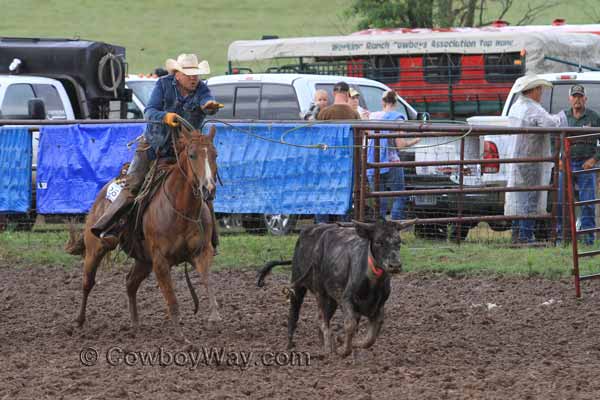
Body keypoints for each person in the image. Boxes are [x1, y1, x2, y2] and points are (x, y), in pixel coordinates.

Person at [91, 53, 222, 250]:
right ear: (177, 74)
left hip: (184, 153)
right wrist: (165, 116)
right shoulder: (163, 85)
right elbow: (150, 111)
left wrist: (209, 107)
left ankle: (211, 239)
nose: (194, 77)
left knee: (204, 186)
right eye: (189, 73)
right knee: (133, 185)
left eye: (196, 74)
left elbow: (207, 101)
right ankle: (108, 227)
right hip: (154, 148)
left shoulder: (202, 89)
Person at [504, 74, 567, 243]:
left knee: (519, 197)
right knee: (530, 198)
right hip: (531, 158)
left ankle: (517, 234)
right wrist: (562, 117)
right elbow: (549, 124)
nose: (541, 93)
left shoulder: (517, 106)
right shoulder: (532, 108)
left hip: (518, 158)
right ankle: (525, 236)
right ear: (532, 90)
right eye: (539, 89)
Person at [557, 84, 600, 245]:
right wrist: (559, 159)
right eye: (574, 96)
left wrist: (594, 159)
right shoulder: (562, 117)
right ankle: (562, 238)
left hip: (585, 165)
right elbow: (554, 139)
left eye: (580, 96)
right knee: (561, 202)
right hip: (566, 163)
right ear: (569, 99)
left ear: (585, 99)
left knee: (587, 202)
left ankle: (588, 239)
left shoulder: (594, 117)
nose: (577, 99)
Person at [368, 90, 420, 221]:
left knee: (379, 198)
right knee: (399, 195)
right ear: (396, 102)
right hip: (392, 162)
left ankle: (379, 228)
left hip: (374, 162)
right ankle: (395, 226)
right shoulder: (398, 118)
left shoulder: (373, 117)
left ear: (383, 102)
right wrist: (415, 140)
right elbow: (401, 144)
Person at [314, 82, 360, 223]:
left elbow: (317, 137)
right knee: (344, 195)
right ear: (347, 95)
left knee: (324, 193)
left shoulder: (324, 113)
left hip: (327, 161)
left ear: (334, 94)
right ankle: (344, 226)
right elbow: (360, 137)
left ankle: (322, 225)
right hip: (347, 161)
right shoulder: (354, 114)